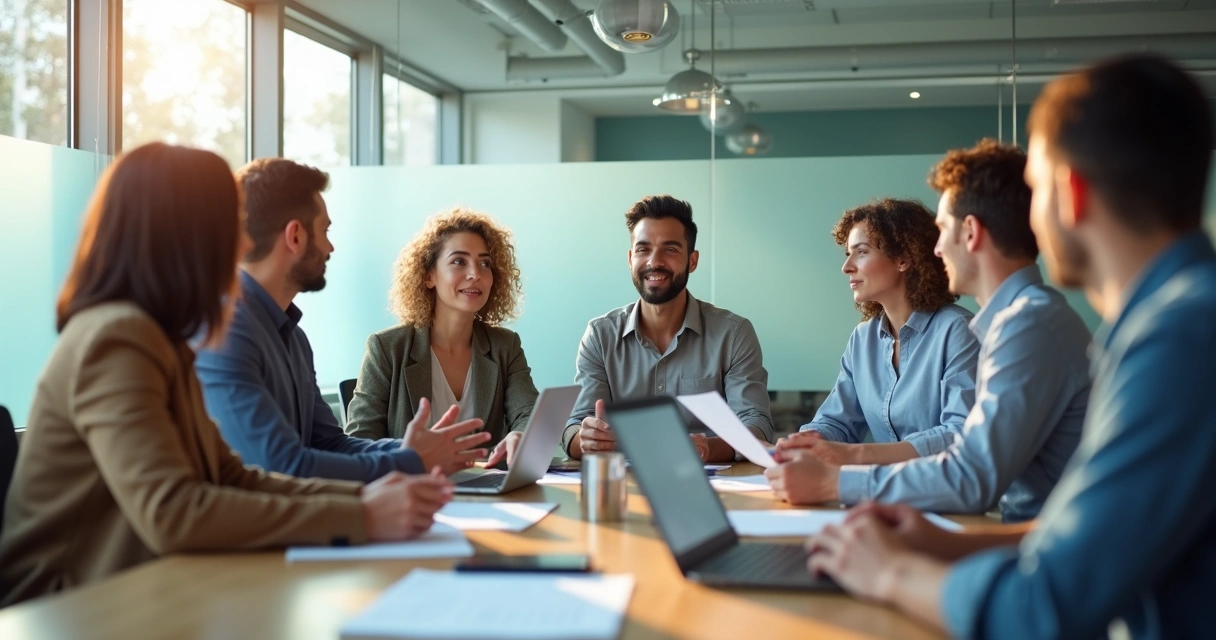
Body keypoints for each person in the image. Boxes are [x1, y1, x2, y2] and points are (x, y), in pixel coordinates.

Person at [806, 54, 1216, 639]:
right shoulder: (1172, 320)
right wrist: (938, 547)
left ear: (1069, 193)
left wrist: (892, 571)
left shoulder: (1176, 337)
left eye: (1036, 189)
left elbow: (1045, 607)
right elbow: (1095, 529)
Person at [0, 144, 453, 607]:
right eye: (228, 224)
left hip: (133, 592)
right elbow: (172, 512)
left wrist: (366, 504)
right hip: (65, 609)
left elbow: (234, 477)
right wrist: (363, 515)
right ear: (188, 234)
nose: (241, 243)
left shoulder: (164, 339)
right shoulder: (115, 338)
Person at [765, 140, 1090, 523]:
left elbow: (971, 475)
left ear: (970, 232)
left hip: (1037, 544)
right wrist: (811, 446)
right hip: (1016, 532)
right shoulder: (1017, 322)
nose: (935, 250)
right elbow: (971, 466)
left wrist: (839, 476)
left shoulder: (1025, 327)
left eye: (942, 230)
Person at [195, 159, 490, 483]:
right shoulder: (226, 331)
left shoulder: (293, 338)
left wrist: (410, 450)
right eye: (324, 231)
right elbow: (281, 465)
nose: (330, 246)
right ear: (295, 236)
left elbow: (329, 443)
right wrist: (409, 461)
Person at [563, 195, 774, 463]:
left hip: (714, 486)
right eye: (643, 249)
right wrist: (586, 438)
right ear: (630, 259)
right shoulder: (600, 336)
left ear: (692, 261)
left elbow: (756, 425)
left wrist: (707, 448)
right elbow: (575, 426)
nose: (655, 261)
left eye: (670, 249)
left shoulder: (733, 334)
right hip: (623, 487)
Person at [776, 199, 980, 466]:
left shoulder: (958, 331)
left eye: (861, 252)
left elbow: (959, 432)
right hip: (884, 492)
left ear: (904, 258)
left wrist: (859, 455)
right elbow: (838, 423)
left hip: (944, 496)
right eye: (848, 253)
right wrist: (804, 442)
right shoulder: (862, 339)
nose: (846, 266)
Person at [344, 208, 539, 469]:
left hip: (487, 493)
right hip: (412, 492)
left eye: (485, 263)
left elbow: (529, 413)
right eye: (459, 261)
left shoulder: (505, 345)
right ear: (429, 276)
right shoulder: (387, 348)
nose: (475, 274)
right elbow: (360, 440)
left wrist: (521, 435)